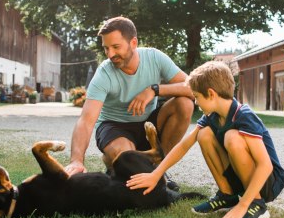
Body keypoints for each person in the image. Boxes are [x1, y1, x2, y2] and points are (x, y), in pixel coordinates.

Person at [126, 61, 284, 218]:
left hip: (268, 182)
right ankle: (227, 195)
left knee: (232, 137)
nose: (195, 102)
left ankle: (257, 203)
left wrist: (243, 205)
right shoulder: (212, 116)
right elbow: (183, 146)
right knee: (204, 134)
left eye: (196, 97)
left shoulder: (244, 116)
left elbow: (265, 165)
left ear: (211, 94)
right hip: (244, 178)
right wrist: (156, 174)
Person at [65, 17, 194, 178]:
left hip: (148, 124)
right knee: (127, 158)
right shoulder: (104, 74)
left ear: (133, 43)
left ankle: (159, 170)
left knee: (185, 104)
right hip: (114, 126)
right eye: (106, 48)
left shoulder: (155, 58)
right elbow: (86, 121)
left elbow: (193, 88)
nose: (110, 54)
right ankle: (114, 159)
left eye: (116, 47)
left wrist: (155, 89)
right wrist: (76, 160)